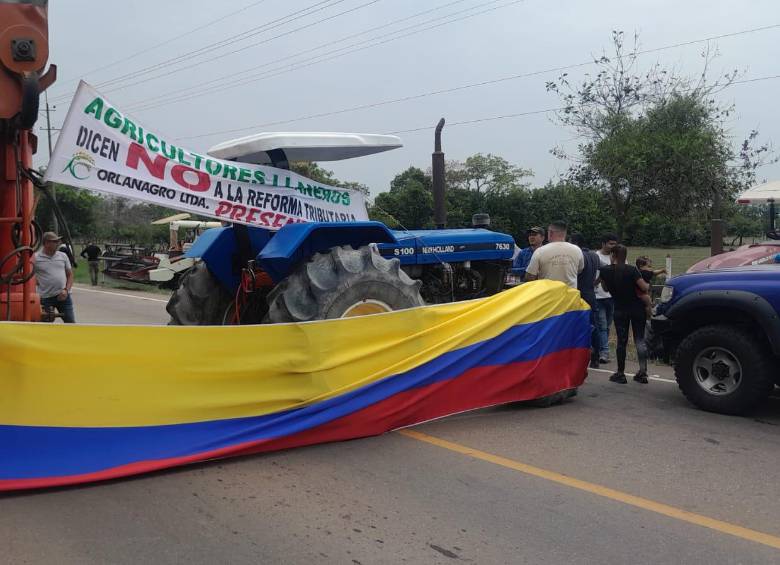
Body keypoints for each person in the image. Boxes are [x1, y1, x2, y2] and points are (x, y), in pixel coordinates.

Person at [598, 244, 650, 384]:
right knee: (639, 339)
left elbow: (604, 288)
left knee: (622, 341)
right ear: (625, 256)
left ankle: (620, 373)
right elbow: (644, 287)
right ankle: (643, 373)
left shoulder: (605, 271)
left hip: (620, 309)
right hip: (637, 309)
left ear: (612, 255)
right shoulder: (632, 270)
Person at [570, 233, 601, 368]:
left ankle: (577, 355)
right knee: (594, 326)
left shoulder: (578, 255)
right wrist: (595, 282)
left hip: (579, 294)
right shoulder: (595, 255)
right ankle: (596, 356)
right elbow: (604, 269)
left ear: (575, 243)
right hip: (591, 293)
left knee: (576, 326)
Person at [524, 220, 584, 288]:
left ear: (551, 233)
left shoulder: (540, 251)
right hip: (570, 296)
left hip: (548, 295)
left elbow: (529, 277)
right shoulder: (577, 250)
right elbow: (580, 270)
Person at [34, 232, 76, 323]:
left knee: (71, 323)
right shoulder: (36, 258)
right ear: (46, 243)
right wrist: (35, 280)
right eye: (55, 241)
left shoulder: (62, 256)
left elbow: (70, 275)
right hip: (45, 298)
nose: (58, 243)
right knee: (45, 326)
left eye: (58, 241)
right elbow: (28, 274)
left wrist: (66, 290)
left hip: (63, 296)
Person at [594, 233, 618, 363]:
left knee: (607, 326)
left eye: (615, 244)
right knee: (602, 325)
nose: (613, 246)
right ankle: (604, 352)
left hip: (612, 297)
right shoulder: (595, 256)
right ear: (603, 244)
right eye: (610, 243)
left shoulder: (619, 257)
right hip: (599, 296)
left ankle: (600, 348)